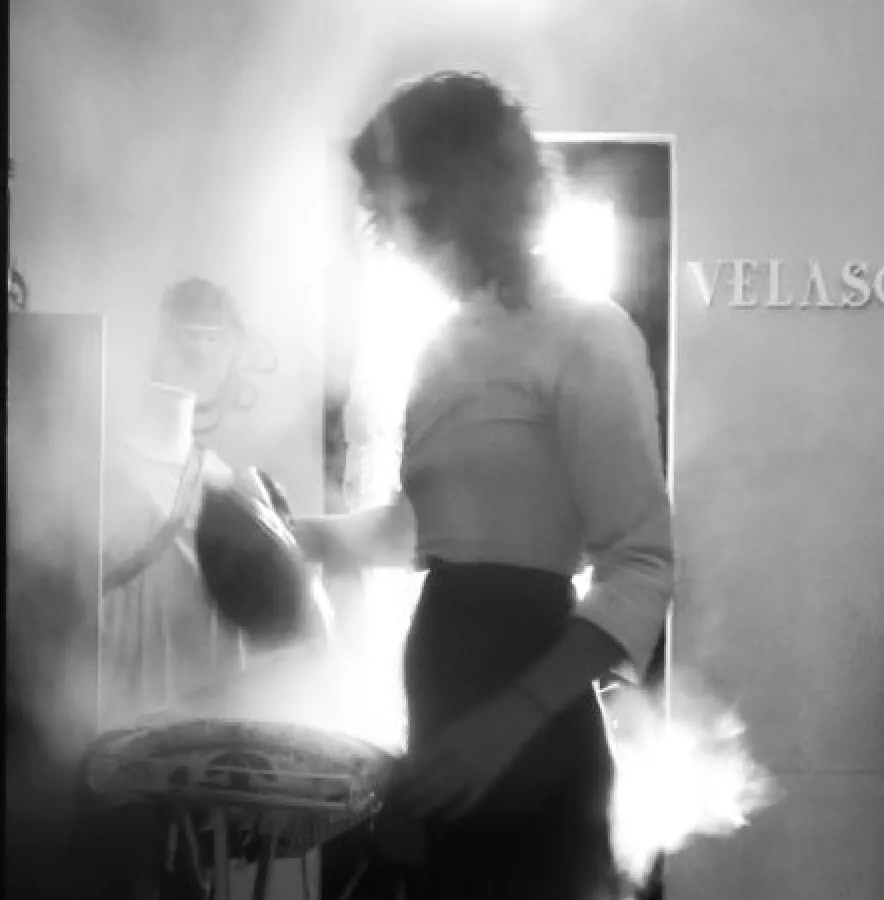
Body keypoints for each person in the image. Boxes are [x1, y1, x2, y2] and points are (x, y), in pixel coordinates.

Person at [294, 71, 675, 900]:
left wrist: (508, 720)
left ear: (457, 193)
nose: (382, 233)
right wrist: (297, 537)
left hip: (532, 725)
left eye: (390, 207)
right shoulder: (444, 345)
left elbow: (641, 565)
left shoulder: (586, 332)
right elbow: (424, 527)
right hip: (449, 707)